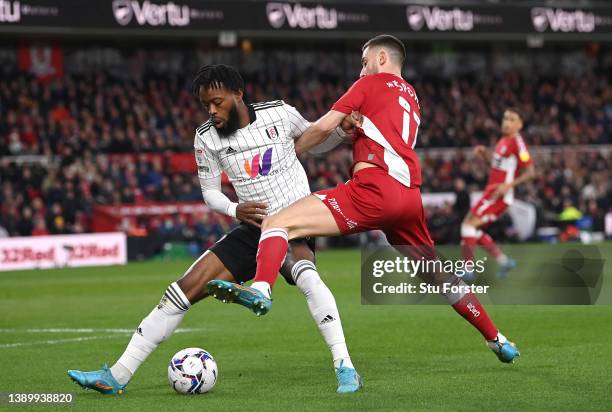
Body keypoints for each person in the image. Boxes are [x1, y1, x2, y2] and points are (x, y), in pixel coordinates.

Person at [208, 35, 521, 368]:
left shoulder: (370, 84)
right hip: (409, 198)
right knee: (437, 273)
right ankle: (497, 339)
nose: (361, 69)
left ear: (382, 58)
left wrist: (289, 152)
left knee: (277, 221)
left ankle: (261, 289)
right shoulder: (412, 99)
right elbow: (375, 134)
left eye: (363, 61)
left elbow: (321, 127)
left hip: (373, 191)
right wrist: (352, 129)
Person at [67, 64, 362, 395]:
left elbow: (311, 140)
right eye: (205, 104)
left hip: (294, 222)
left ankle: (345, 368)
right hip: (252, 226)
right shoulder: (206, 138)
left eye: (217, 102)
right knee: (181, 290)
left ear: (238, 94)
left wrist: (340, 132)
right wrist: (235, 209)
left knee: (307, 277)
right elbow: (209, 193)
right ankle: (116, 375)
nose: (211, 111)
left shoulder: (279, 114)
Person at [461, 108, 536, 279]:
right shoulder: (502, 141)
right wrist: (485, 154)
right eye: (505, 118)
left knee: (468, 226)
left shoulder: (518, 143)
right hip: (491, 191)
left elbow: (531, 172)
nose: (506, 122)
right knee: (473, 229)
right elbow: (495, 167)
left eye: (511, 119)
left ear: (519, 124)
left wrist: (509, 185)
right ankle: (504, 261)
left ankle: (468, 270)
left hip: (499, 195)